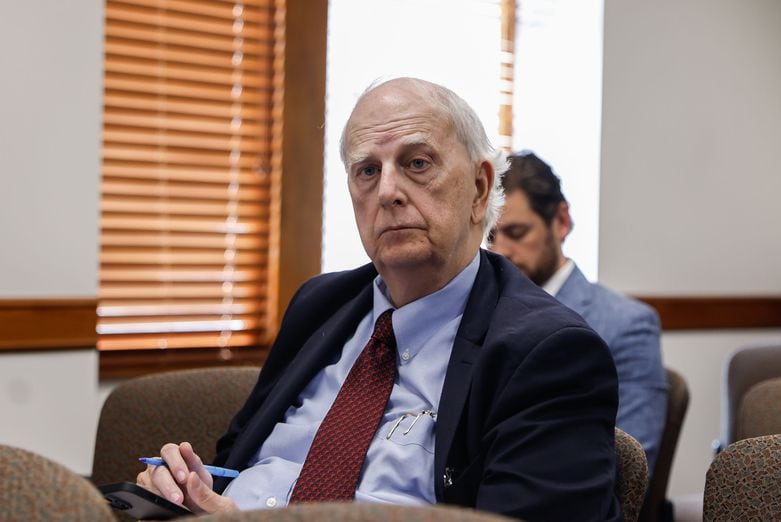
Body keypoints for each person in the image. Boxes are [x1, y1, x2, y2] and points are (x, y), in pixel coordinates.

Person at [137, 78, 622, 521]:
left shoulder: (548, 352)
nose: (387, 191)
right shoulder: (319, 305)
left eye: (417, 164)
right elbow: (237, 460)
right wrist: (190, 491)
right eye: (367, 170)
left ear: (478, 189)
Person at [489, 151, 668, 474]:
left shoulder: (626, 325)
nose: (501, 251)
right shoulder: (478, 314)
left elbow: (631, 471)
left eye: (516, 234)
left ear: (561, 221)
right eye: (490, 237)